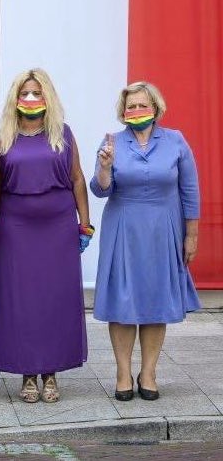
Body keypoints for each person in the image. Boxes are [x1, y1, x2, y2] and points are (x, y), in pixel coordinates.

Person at [0, 69, 90, 404]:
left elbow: (77, 179)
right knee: (21, 302)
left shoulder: (64, 133)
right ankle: (28, 372)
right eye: (24, 93)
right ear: (15, 98)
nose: (30, 99)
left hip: (58, 228)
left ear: (48, 97)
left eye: (36, 92)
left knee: (54, 300)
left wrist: (84, 224)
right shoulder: (3, 137)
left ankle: (51, 372)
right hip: (16, 228)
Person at [91, 81, 200, 402]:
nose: (136, 111)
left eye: (142, 105)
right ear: (123, 112)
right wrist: (105, 168)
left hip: (163, 230)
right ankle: (123, 372)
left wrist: (191, 234)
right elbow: (100, 189)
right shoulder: (112, 142)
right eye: (130, 106)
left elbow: (190, 191)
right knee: (123, 304)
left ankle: (148, 372)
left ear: (155, 108)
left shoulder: (176, 141)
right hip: (123, 230)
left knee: (155, 302)